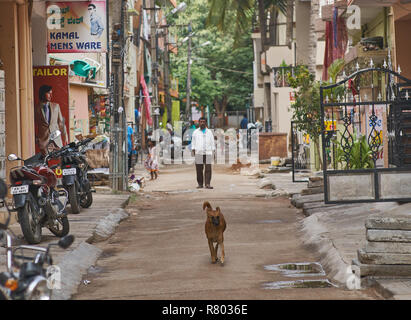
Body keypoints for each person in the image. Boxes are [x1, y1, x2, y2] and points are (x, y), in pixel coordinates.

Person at [35, 85, 69, 155]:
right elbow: (32, 125)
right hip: (43, 141)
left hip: (56, 140)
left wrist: (65, 137)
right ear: (42, 94)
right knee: (45, 162)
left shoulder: (56, 106)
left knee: (60, 160)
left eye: (51, 93)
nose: (51, 96)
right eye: (48, 93)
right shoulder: (36, 108)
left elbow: (61, 123)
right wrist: (36, 139)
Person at [191, 117, 215, 189]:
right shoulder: (195, 132)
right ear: (199, 122)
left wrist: (213, 151)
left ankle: (207, 184)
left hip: (208, 153)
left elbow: (212, 142)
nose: (202, 123)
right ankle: (200, 184)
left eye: (203, 122)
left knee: (208, 169)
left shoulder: (209, 132)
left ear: (206, 123)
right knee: (199, 169)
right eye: (201, 122)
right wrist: (193, 150)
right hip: (198, 152)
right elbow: (193, 142)